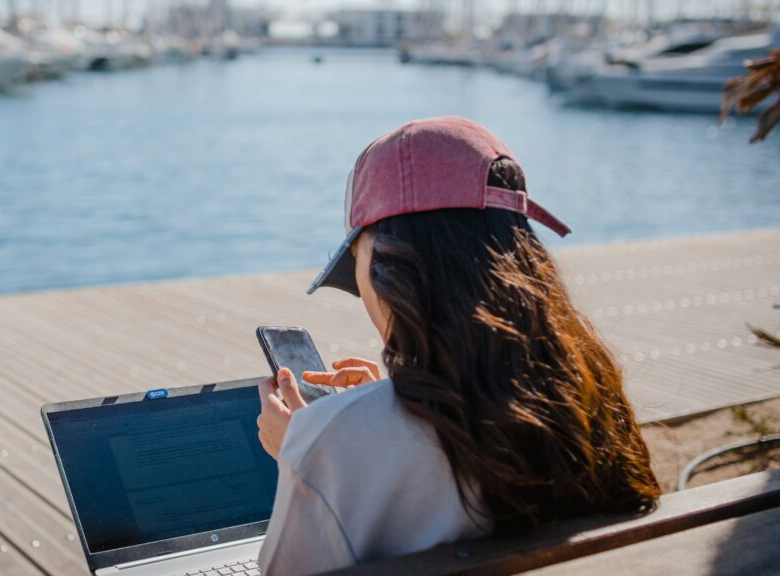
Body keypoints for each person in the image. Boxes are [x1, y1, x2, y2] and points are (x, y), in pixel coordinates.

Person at [255, 117, 661, 575]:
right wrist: (376, 410)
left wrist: (308, 453)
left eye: (357, 259)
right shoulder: (590, 399)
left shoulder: (330, 442)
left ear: (390, 267)